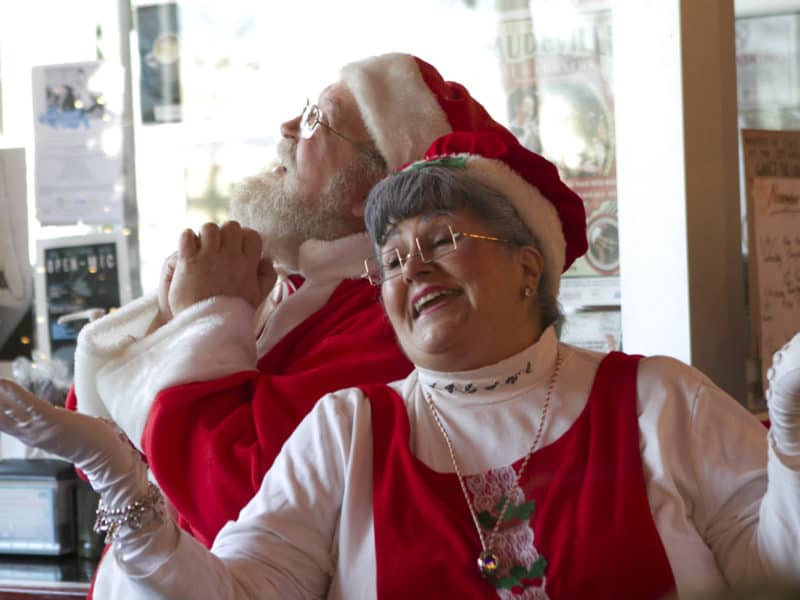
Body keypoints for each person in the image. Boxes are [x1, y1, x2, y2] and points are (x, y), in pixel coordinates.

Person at [3, 129, 798, 599]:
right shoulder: (347, 430)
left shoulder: (656, 400)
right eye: (390, 258)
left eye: (443, 240)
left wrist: (792, 434)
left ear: (530, 267)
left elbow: (774, 572)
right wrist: (122, 482)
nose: (411, 268)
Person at [64, 52, 513, 596]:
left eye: (315, 119)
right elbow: (99, 460)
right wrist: (170, 316)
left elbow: (237, 502)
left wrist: (205, 319)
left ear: (371, 189)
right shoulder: (285, 286)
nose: (286, 129)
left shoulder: (389, 326)